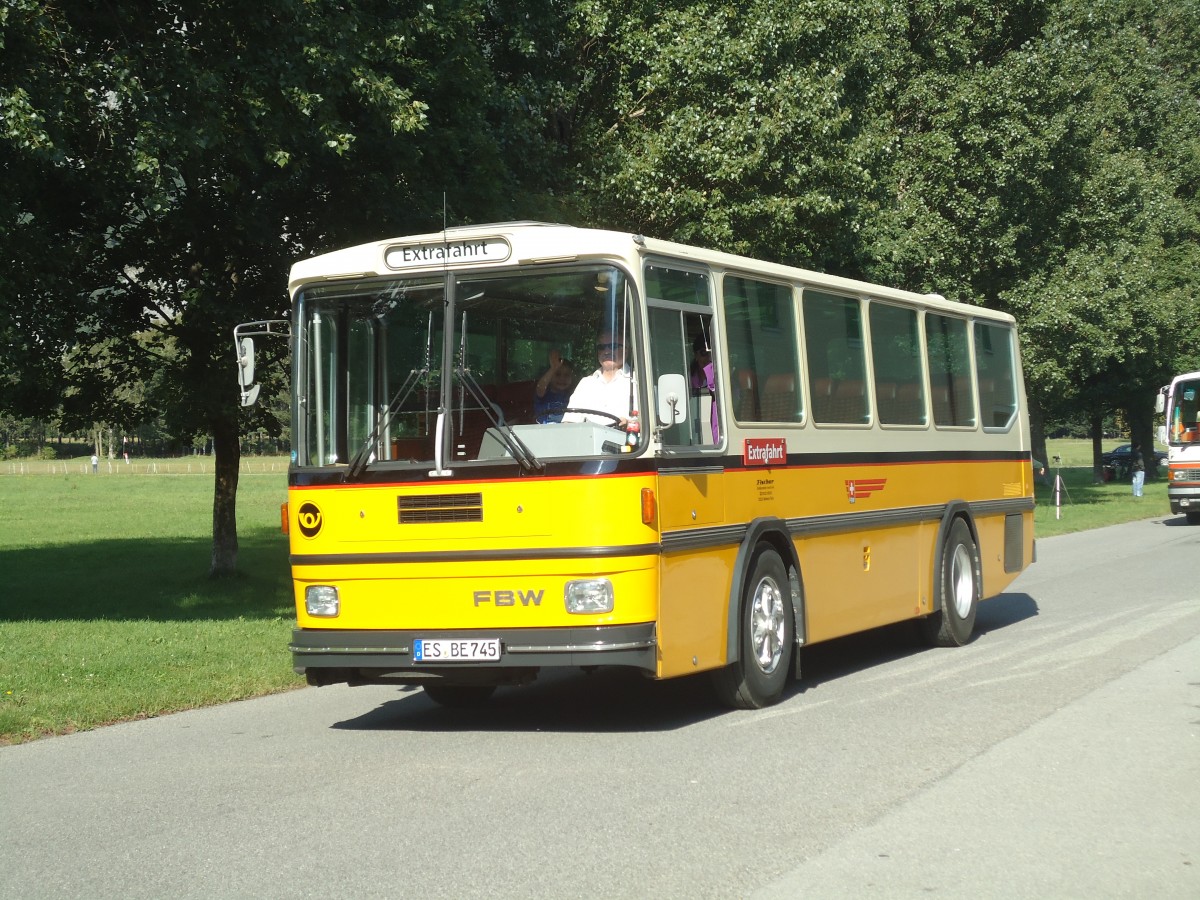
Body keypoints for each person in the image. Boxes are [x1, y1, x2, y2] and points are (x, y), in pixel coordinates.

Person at [562, 330, 634, 427]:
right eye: (601, 347)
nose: (606, 351)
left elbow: (653, 425)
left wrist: (630, 424)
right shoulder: (586, 383)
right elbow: (569, 423)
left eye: (613, 346)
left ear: (626, 350)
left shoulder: (638, 382)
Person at [689, 332, 718, 443]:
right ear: (696, 355)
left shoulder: (718, 373)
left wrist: (710, 368)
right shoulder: (690, 378)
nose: (707, 358)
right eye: (704, 353)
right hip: (697, 434)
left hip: (717, 436)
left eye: (711, 353)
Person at [534, 350, 575, 423]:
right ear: (550, 376)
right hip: (543, 432)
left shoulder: (573, 397)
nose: (562, 379)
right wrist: (553, 368)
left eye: (567, 375)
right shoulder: (544, 393)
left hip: (566, 432)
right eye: (557, 374)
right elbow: (540, 387)